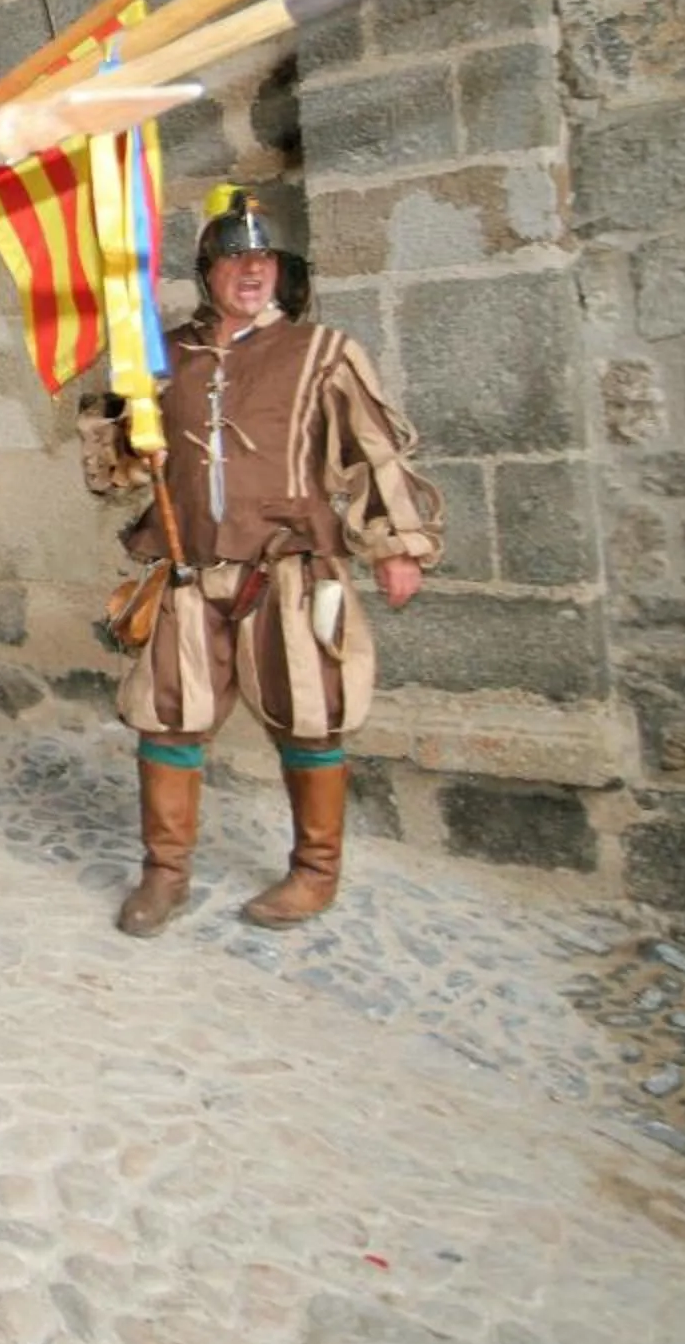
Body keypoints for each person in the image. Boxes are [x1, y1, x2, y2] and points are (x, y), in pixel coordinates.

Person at [80, 186, 443, 936]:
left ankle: (315, 873)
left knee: (311, 720)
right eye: (235, 259)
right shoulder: (164, 356)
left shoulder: (324, 353)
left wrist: (400, 545)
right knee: (166, 722)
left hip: (291, 571)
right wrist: (126, 429)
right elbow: (111, 475)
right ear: (208, 271)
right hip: (186, 573)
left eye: (264, 258)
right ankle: (165, 875)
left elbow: (376, 449)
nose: (252, 271)